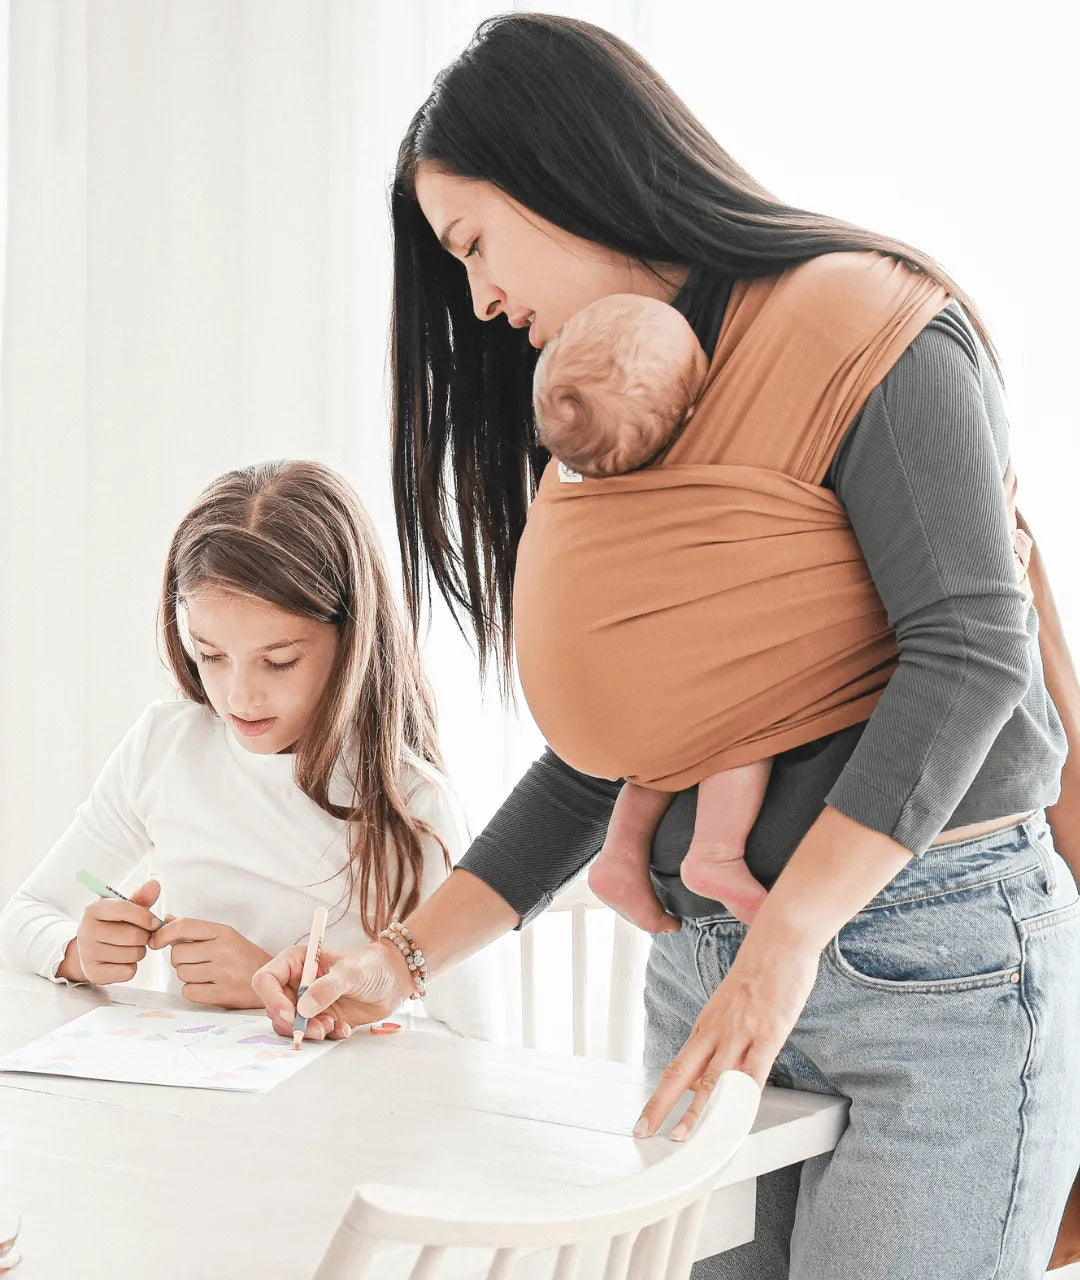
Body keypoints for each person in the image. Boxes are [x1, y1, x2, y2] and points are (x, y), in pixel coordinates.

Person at [254, 14, 1080, 1277]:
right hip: (709, 970)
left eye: (474, 243)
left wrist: (788, 940)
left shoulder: (868, 333)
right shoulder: (626, 420)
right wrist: (401, 955)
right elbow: (608, 753)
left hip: (932, 969)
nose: (476, 297)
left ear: (565, 168)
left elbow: (972, 654)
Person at [0, 459, 496, 1041]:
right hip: (186, 1102)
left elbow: (472, 1043)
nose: (239, 695)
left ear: (353, 637)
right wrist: (75, 953)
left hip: (342, 1120)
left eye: (279, 661)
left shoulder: (410, 801)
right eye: (211, 655)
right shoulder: (167, 747)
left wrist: (281, 990)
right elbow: (25, 915)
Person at [533, 291, 771, 927]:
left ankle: (621, 852)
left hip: (608, 680)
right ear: (693, 410)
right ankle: (715, 852)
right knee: (748, 721)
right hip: (676, 664)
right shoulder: (691, 468)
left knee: (662, 748)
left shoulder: (569, 483)